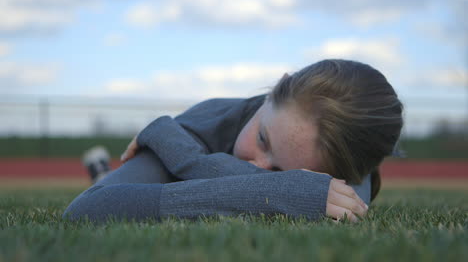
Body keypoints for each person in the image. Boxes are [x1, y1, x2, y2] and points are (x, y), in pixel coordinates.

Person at [63, 59, 403, 223]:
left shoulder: (349, 147)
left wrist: (195, 164)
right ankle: (103, 172)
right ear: (273, 90)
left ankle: (101, 170)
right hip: (180, 140)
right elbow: (86, 210)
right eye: (262, 138)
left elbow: (352, 204)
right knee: (108, 186)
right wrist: (279, 191)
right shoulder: (190, 129)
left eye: (282, 172)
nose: (255, 164)